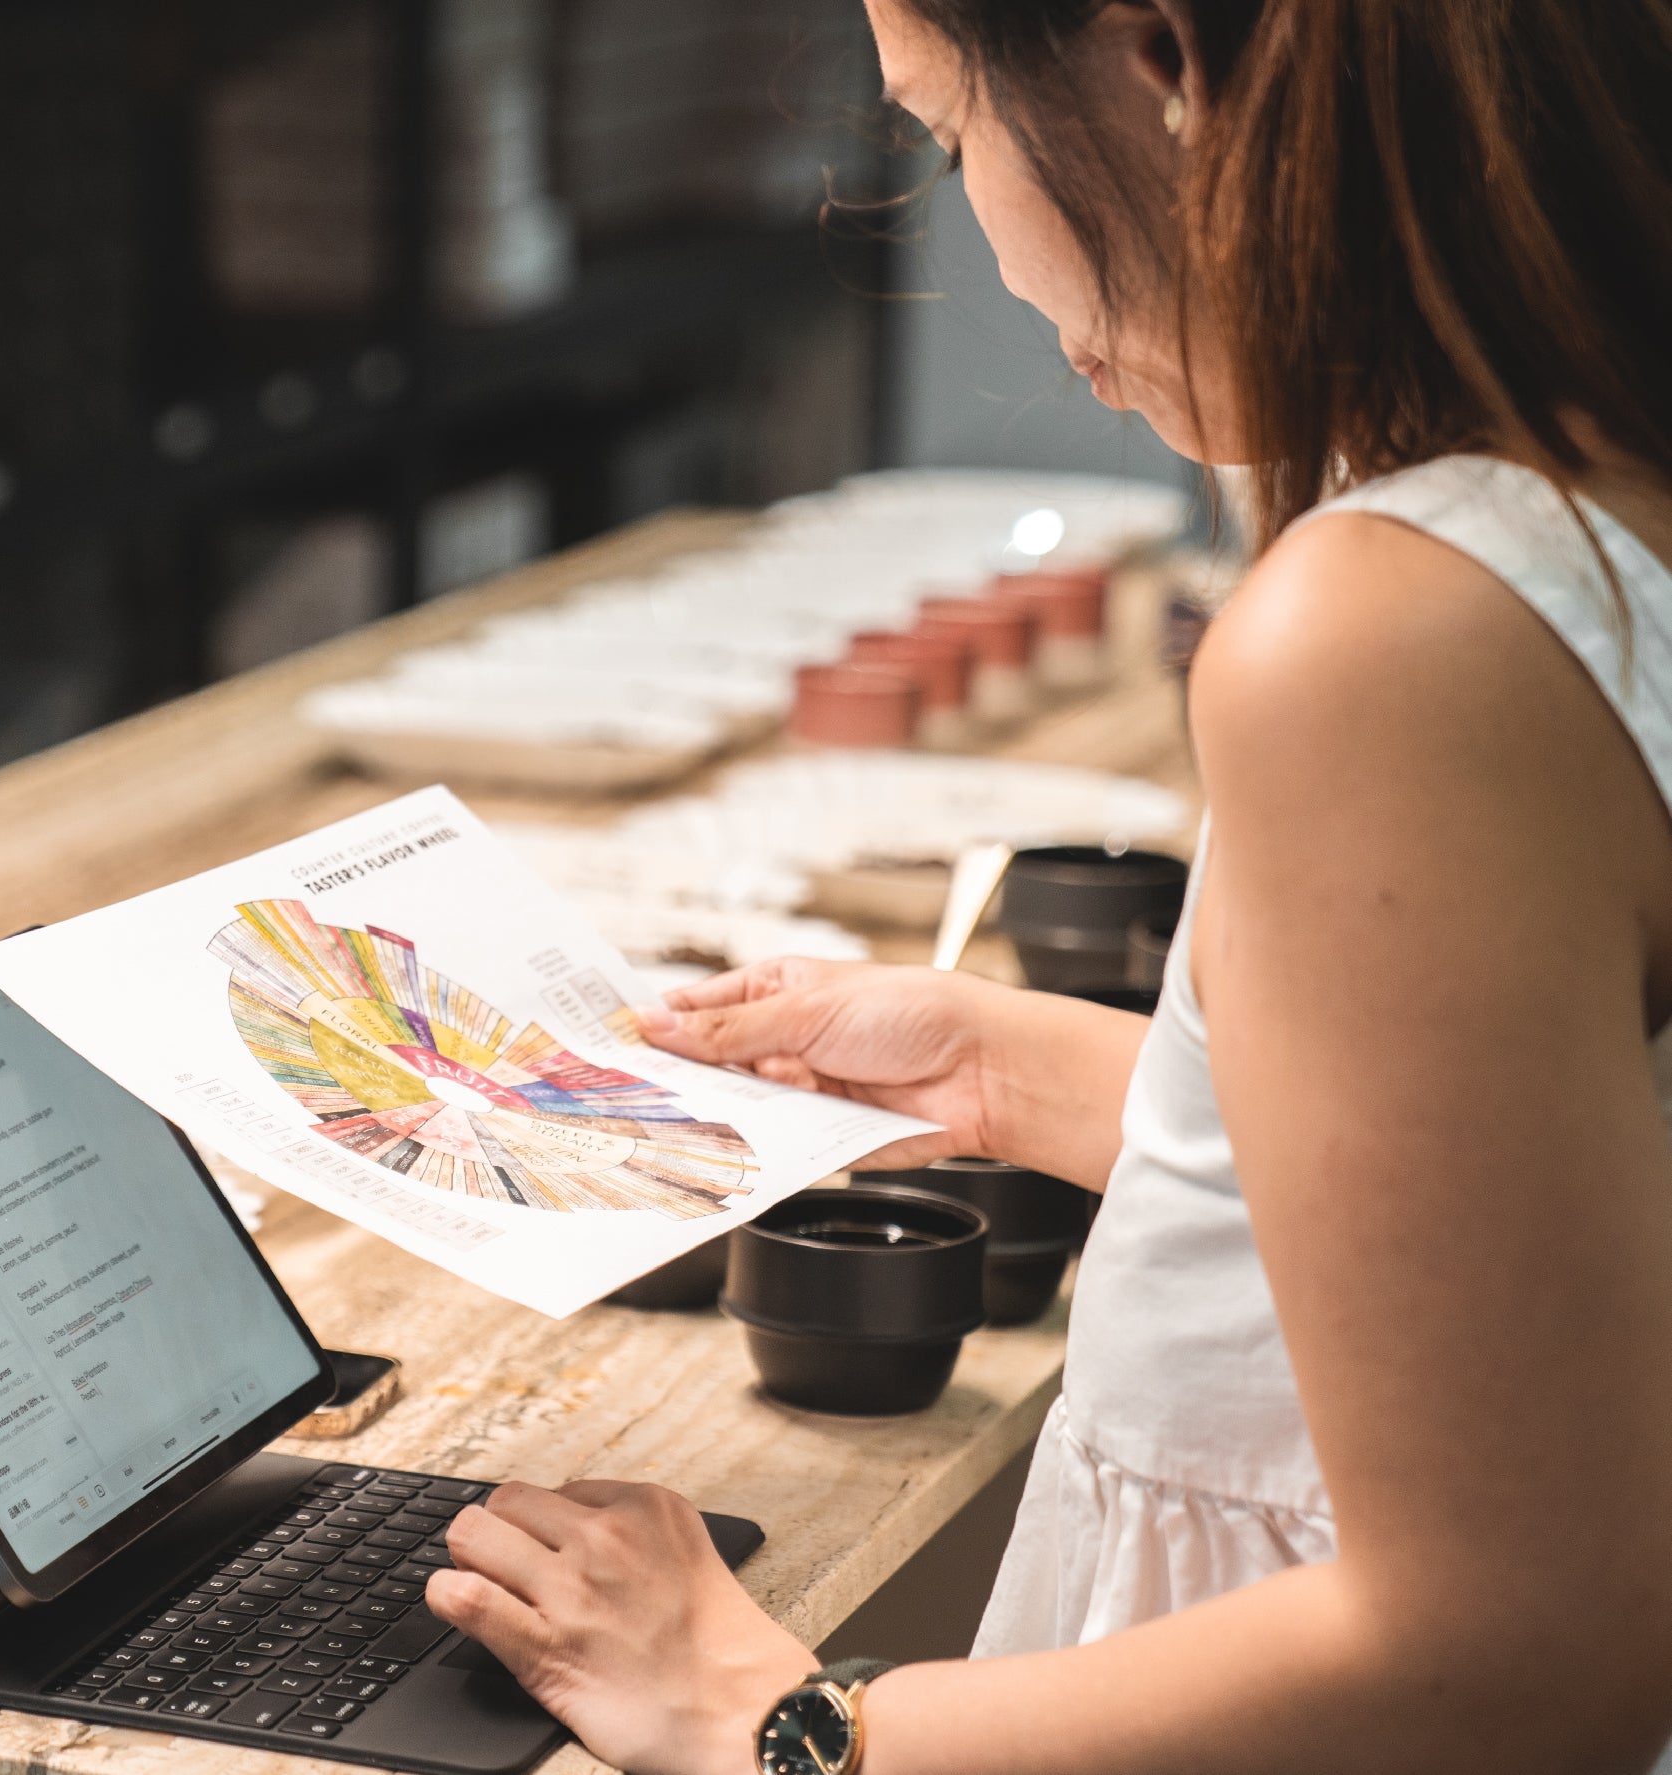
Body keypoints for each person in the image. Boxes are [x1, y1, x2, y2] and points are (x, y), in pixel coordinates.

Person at [416, 2, 1672, 1770]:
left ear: (1158, 65)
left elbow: (1520, 1647)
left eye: (940, 133)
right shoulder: (1602, 492)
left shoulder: (1390, 633)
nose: (985, 255)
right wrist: (1038, 1078)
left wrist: (772, 1718)